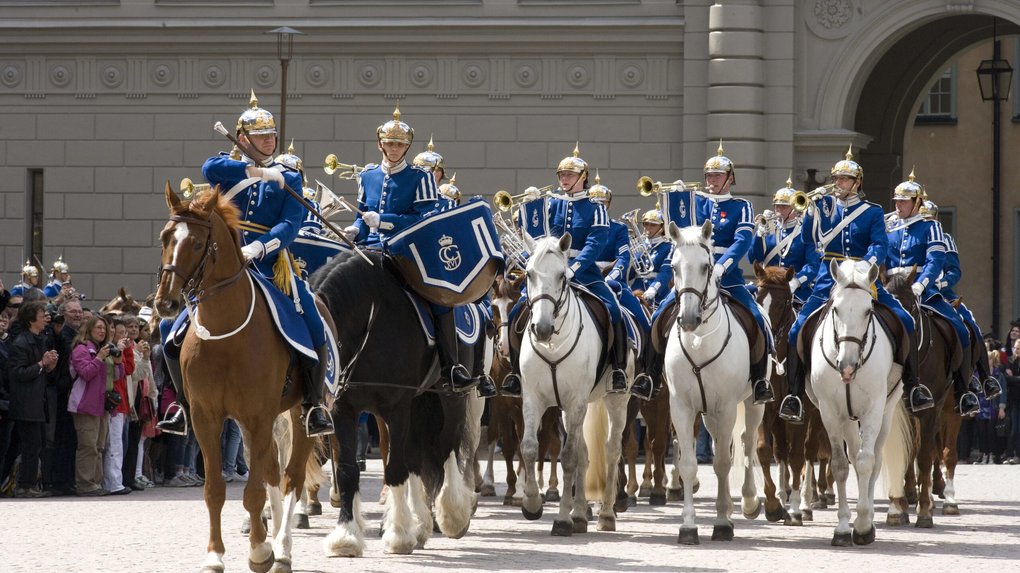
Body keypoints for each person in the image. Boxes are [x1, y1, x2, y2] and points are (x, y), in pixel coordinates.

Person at [159, 90, 334, 438]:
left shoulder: (290, 176)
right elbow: (210, 167)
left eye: (272, 136)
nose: (269, 141)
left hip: (270, 264)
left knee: (311, 318)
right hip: (221, 265)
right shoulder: (228, 168)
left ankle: (313, 403)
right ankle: (182, 404)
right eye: (261, 136)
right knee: (169, 329)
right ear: (242, 139)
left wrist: (260, 246)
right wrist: (255, 170)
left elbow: (290, 223)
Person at [778, 148, 934, 423]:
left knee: (906, 321)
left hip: (864, 278)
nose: (838, 184)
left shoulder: (872, 212)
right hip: (829, 279)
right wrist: (811, 213)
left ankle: (913, 386)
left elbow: (879, 244)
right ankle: (794, 396)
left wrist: (865, 267)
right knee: (795, 331)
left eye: (845, 179)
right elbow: (806, 241)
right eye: (836, 178)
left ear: (857, 182)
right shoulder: (824, 208)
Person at [341, 106, 474, 393]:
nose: (394, 149)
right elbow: (362, 214)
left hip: (407, 251)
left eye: (399, 144)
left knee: (439, 298)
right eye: (389, 143)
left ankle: (451, 366)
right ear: (380, 144)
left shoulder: (420, 178)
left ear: (407, 147)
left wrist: (385, 222)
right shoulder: (368, 176)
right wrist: (355, 229)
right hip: (369, 249)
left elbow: (423, 219)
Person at [635, 144, 775, 406]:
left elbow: (743, 240)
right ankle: (650, 375)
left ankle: (759, 381)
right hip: (692, 277)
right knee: (658, 317)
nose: (711, 181)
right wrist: (676, 199)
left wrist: (722, 266)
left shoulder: (741, 206)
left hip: (728, 276)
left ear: (730, 178)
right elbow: (675, 232)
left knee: (757, 319)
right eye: (709, 176)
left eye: (718, 175)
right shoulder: (694, 201)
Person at [500, 145, 629, 397]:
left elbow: (596, 242)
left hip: (586, 273)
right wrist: (529, 208)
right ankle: (516, 374)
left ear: (583, 178)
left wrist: (575, 268)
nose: (564, 179)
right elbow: (529, 232)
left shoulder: (596, 207)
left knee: (614, 310)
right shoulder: (550, 204)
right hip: (549, 273)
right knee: (517, 311)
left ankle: (618, 370)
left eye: (570, 175)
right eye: (562, 175)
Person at [923, 200, 1002, 401]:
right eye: (923, 218)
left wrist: (938, 284)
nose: (926, 222)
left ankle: (983, 377)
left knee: (969, 325)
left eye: (929, 218)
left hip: (940, 292)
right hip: (912, 290)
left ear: (936, 219)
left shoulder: (944, 239)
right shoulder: (908, 236)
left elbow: (954, 272)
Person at [6, 301, 58, 497]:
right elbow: (18, 373)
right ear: (30, 320)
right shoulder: (21, 342)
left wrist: (49, 367)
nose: (45, 317)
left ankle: (30, 484)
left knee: (37, 445)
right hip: (26, 404)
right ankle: (24, 486)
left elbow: (40, 372)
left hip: (37, 403)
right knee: (30, 446)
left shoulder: (39, 339)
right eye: (41, 314)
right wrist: (41, 363)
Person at [747, 177, 819, 304]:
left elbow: (813, 265)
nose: (779, 211)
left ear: (795, 208)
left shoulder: (805, 231)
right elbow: (753, 258)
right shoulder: (768, 229)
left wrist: (796, 282)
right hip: (768, 285)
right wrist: (759, 234)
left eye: (784, 207)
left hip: (794, 288)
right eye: (777, 207)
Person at [68, 315, 116, 496]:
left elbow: (116, 376)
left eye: (104, 328)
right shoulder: (81, 349)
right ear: (88, 330)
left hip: (102, 405)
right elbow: (86, 373)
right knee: (87, 446)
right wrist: (100, 358)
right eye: (98, 328)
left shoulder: (103, 349)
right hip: (84, 404)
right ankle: (85, 484)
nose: (102, 331)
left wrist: (116, 360)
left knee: (99, 446)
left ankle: (96, 482)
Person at [102, 318, 134, 495]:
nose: (117, 334)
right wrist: (121, 351)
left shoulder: (119, 350)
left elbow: (128, 369)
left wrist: (125, 350)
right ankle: (112, 482)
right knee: (112, 445)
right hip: (109, 401)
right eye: (114, 330)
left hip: (119, 401)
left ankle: (114, 480)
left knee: (116, 444)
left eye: (121, 332)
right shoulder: (106, 348)